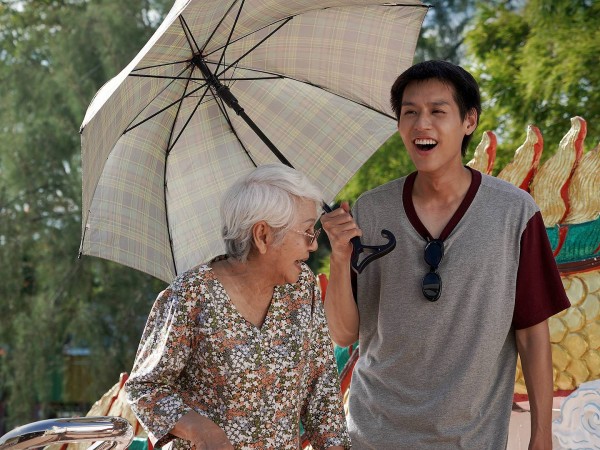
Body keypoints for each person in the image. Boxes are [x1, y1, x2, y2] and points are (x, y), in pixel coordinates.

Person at [321, 60, 570, 449]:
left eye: (437, 111)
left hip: (471, 439)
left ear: (469, 121)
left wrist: (542, 435)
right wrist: (339, 256)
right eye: (409, 113)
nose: (422, 124)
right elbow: (343, 333)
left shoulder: (515, 213)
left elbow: (532, 334)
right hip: (373, 435)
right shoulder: (370, 210)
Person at [125, 163, 351, 450]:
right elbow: (145, 388)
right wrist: (201, 430)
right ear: (263, 235)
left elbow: (322, 394)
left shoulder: (301, 288)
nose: (313, 246)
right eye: (307, 232)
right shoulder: (191, 295)